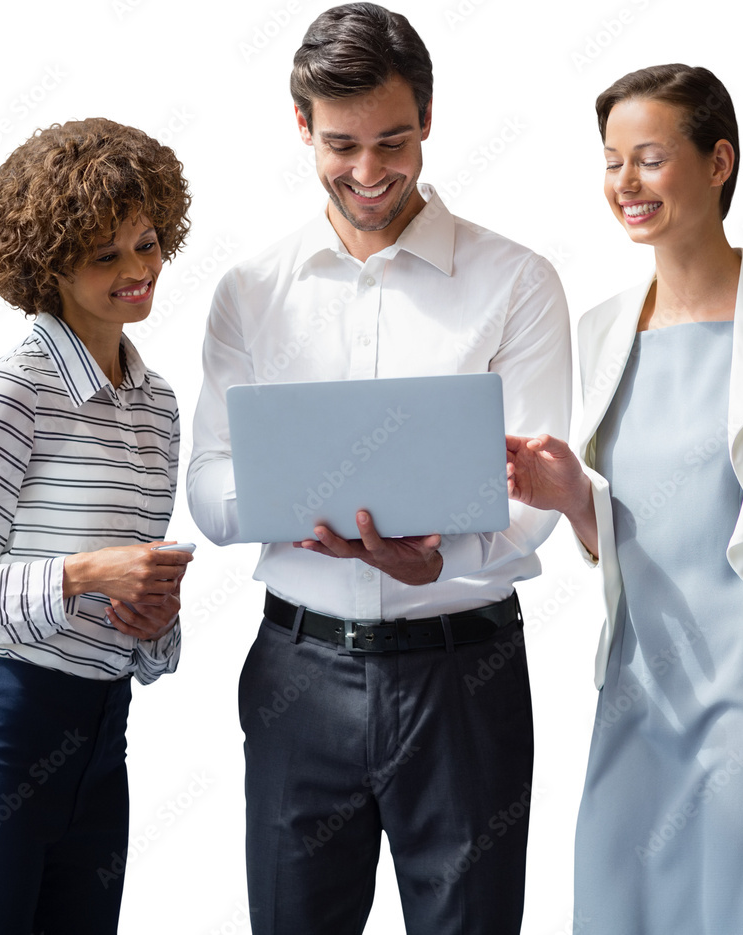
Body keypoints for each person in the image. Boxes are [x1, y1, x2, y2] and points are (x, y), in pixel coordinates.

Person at [186, 5, 570, 932]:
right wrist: (293, 508)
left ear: (429, 120)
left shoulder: (516, 280)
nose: (368, 172)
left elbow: (539, 493)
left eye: (393, 141)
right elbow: (208, 483)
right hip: (298, 674)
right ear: (301, 125)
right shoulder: (251, 290)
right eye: (342, 144)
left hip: (462, 677)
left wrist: (440, 561)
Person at [506, 64, 743, 934]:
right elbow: (625, 536)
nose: (625, 184)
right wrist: (571, 500)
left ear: (719, 161)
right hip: (639, 695)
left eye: (648, 158)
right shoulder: (602, 330)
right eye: (612, 162)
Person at [0, 118, 194, 935]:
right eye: (106, 257)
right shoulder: (15, 388)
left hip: (103, 742)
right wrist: (82, 576)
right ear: (49, 267)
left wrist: (154, 624)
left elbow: (138, 612)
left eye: (146, 242)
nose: (138, 271)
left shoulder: (159, 404)